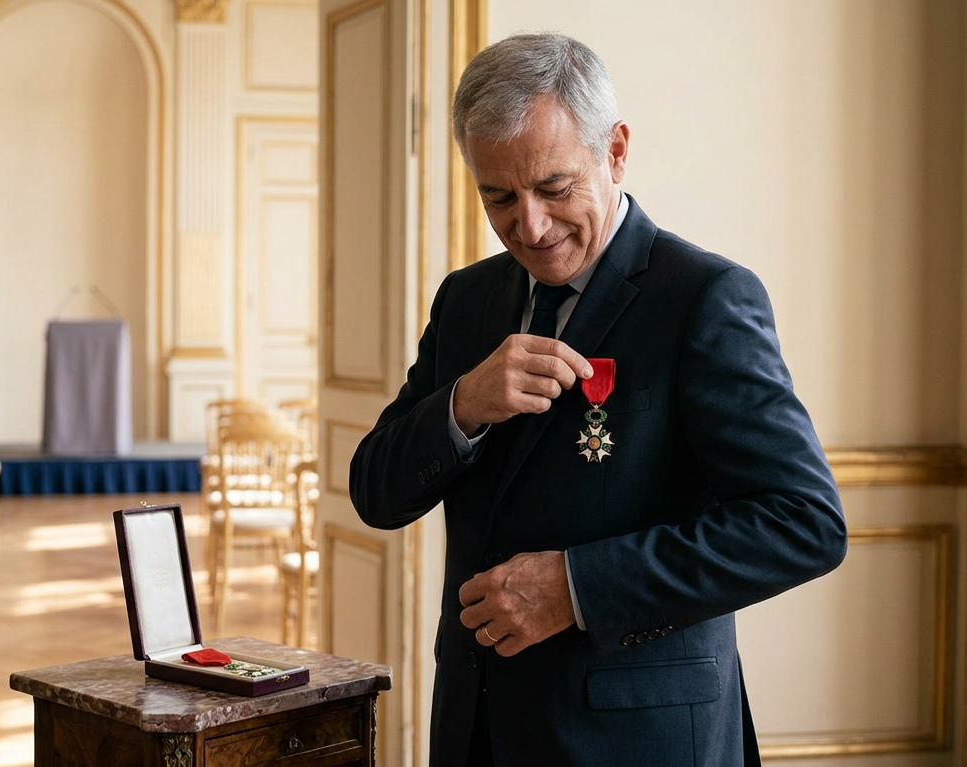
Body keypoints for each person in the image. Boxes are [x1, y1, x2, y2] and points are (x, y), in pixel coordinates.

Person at [349, 32, 846, 766]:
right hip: (475, 728)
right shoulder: (466, 300)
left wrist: (578, 587)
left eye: (553, 188)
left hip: (639, 738)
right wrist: (462, 406)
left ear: (615, 151)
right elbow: (375, 492)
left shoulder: (704, 297)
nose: (529, 226)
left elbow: (804, 523)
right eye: (498, 197)